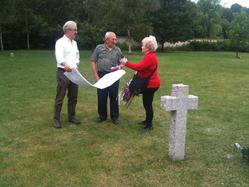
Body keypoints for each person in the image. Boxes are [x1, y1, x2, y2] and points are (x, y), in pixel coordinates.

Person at [121, 35, 160, 130]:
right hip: (151, 83)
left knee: (147, 104)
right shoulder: (150, 55)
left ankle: (149, 125)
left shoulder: (150, 57)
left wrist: (125, 63)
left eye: (143, 45)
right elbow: (143, 69)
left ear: (148, 47)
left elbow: (139, 67)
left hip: (151, 84)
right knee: (147, 103)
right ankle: (147, 121)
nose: (141, 47)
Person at [53, 21, 81, 128]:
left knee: (73, 96)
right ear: (68, 30)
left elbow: (77, 55)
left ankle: (72, 117)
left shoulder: (75, 43)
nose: (76, 32)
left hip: (74, 72)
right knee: (60, 96)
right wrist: (65, 64)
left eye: (76, 30)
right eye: (74, 30)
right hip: (63, 72)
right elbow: (59, 56)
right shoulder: (60, 42)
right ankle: (56, 119)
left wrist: (76, 64)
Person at [91, 32, 123, 125]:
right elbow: (93, 61)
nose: (115, 41)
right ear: (107, 39)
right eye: (113, 39)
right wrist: (95, 76)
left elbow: (122, 62)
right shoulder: (99, 48)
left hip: (114, 76)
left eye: (115, 39)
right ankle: (102, 116)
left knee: (114, 97)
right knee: (101, 96)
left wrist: (120, 66)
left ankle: (115, 117)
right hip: (101, 75)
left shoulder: (118, 50)